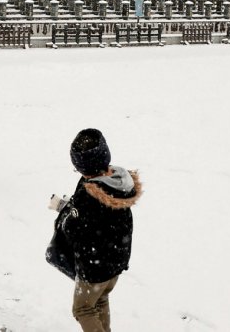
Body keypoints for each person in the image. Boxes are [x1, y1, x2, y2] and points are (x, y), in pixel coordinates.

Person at [62, 128, 142, 332]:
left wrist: (66, 212)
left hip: (95, 269)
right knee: (99, 300)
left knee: (83, 309)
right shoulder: (119, 182)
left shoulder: (89, 198)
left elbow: (73, 231)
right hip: (115, 262)